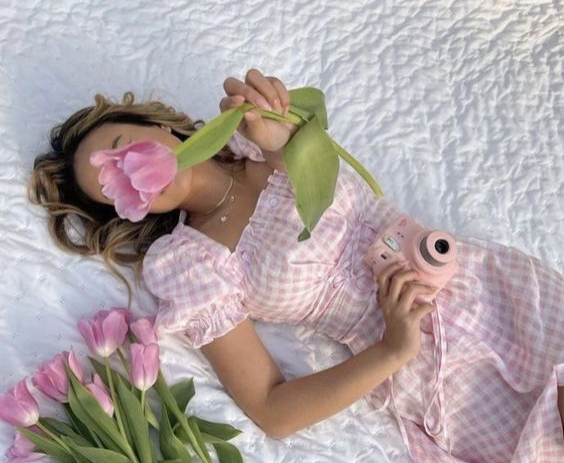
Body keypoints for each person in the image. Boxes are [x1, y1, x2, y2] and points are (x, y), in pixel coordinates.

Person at [28, 68, 564, 462]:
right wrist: (393, 349)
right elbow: (272, 410)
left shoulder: (254, 135)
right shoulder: (188, 263)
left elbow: (318, 168)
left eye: (123, 145)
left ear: (156, 125)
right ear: (129, 209)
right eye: (114, 184)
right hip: (434, 371)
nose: (129, 168)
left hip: (484, 287)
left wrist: (278, 132)